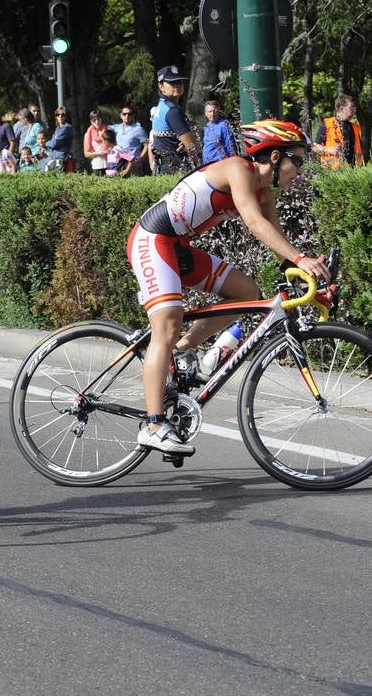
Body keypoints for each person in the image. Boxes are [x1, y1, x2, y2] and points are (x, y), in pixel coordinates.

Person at [126, 119, 329, 456]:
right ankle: (154, 425)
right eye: (299, 160)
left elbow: (279, 243)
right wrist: (300, 258)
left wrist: (304, 270)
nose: (301, 169)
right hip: (152, 239)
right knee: (167, 324)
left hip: (178, 246)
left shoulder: (264, 193)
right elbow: (254, 223)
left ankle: (183, 349)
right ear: (276, 157)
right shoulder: (238, 169)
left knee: (246, 292)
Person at [151, 65, 198, 174]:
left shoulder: (162, 105)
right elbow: (192, 147)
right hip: (175, 169)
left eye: (180, 82)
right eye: (172, 83)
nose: (177, 85)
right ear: (161, 86)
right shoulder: (172, 110)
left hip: (162, 167)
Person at [312, 94, 365, 169]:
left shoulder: (355, 127)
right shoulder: (327, 124)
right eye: (351, 107)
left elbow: (359, 151)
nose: (355, 109)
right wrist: (328, 150)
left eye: (355, 107)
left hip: (354, 171)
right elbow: (315, 147)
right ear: (341, 108)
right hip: (332, 171)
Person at [111, 105, 147, 177]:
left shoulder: (138, 129)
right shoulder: (117, 128)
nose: (127, 116)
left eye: (129, 114)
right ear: (121, 115)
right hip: (119, 164)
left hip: (133, 166)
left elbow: (147, 145)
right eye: (124, 114)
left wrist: (139, 160)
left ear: (133, 115)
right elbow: (103, 128)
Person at [201, 99, 238, 164]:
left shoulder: (223, 125)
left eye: (215, 111)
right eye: (210, 111)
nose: (212, 114)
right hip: (207, 163)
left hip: (219, 162)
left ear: (218, 112)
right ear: (206, 113)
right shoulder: (207, 126)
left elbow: (230, 145)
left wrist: (232, 162)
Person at [83, 109, 110, 175]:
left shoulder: (108, 131)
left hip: (110, 165)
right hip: (97, 166)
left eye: (98, 119)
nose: (97, 122)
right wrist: (99, 153)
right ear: (91, 121)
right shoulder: (88, 134)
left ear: (101, 119)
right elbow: (86, 154)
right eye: (94, 120)